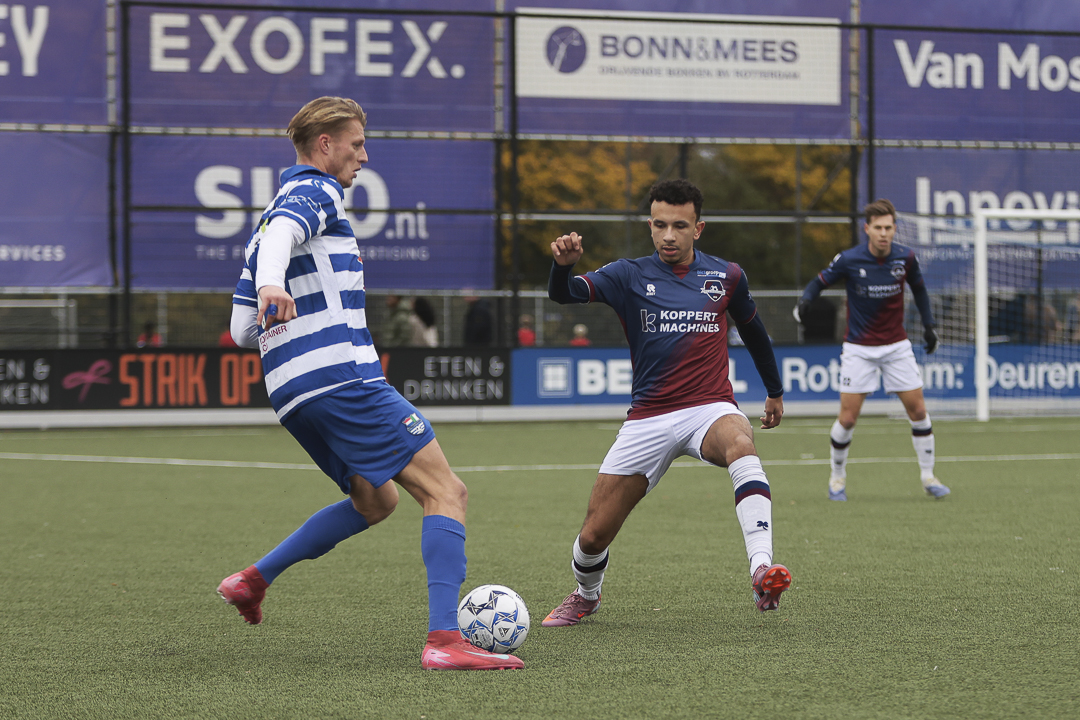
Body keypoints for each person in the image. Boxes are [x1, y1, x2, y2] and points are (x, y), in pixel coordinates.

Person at [221, 96, 522, 671]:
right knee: (447, 492)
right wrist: (272, 287)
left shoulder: (262, 228)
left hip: (292, 393)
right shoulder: (314, 190)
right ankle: (444, 641)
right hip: (341, 377)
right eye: (356, 144)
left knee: (376, 499)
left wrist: (275, 295)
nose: (364, 155)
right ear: (325, 145)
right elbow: (285, 234)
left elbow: (240, 331)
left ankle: (254, 579)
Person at [542, 179, 791, 627]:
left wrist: (774, 391)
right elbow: (565, 293)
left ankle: (761, 569)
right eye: (660, 225)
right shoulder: (627, 274)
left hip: (709, 407)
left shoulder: (727, 276)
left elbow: (754, 331)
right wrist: (562, 268)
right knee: (593, 537)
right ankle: (586, 594)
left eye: (679, 225)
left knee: (741, 441)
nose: (668, 235)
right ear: (650, 225)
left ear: (699, 228)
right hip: (648, 418)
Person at [794, 198, 949, 502]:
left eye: (888, 227)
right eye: (878, 227)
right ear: (867, 229)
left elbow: (919, 289)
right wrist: (805, 301)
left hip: (896, 347)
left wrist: (929, 326)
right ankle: (837, 478)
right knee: (848, 419)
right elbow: (819, 281)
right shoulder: (849, 259)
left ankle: (929, 477)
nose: (883, 233)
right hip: (859, 349)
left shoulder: (906, 258)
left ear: (895, 229)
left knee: (919, 412)